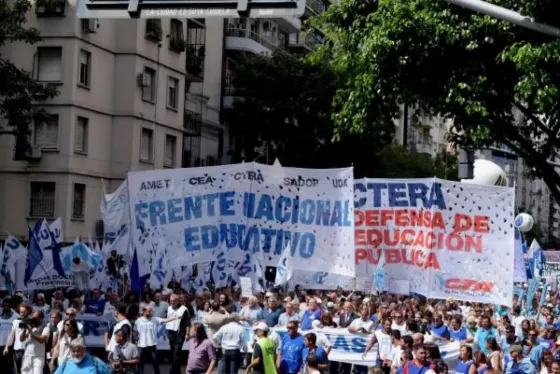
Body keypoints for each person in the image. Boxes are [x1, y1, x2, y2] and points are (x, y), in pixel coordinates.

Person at [134, 305, 177, 374]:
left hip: (152, 346)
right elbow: (135, 332)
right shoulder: (138, 321)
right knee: (140, 363)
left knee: (155, 363)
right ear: (144, 311)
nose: (151, 312)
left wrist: (175, 317)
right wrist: (136, 339)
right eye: (149, 311)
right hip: (141, 346)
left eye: (151, 310)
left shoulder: (155, 319)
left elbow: (166, 320)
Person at [5, 303, 33, 374]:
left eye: (24, 312)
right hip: (17, 350)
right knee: (17, 371)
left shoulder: (32, 322)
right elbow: (11, 335)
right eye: (21, 312)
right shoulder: (15, 322)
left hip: (28, 350)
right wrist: (6, 347)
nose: (22, 314)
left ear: (28, 311)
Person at [165, 294, 189, 374]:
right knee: (173, 353)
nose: (172, 302)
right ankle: (178, 371)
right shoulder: (169, 308)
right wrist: (166, 330)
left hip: (180, 333)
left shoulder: (184, 309)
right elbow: (168, 319)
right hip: (171, 333)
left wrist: (187, 333)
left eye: (174, 301)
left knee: (176, 353)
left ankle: (172, 371)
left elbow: (187, 323)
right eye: (171, 301)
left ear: (178, 301)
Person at [0, 298, 17, 372]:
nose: (6, 307)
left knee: (9, 364)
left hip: (10, 344)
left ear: (11, 306)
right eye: (4, 306)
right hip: (0, 343)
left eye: (8, 306)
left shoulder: (16, 316)